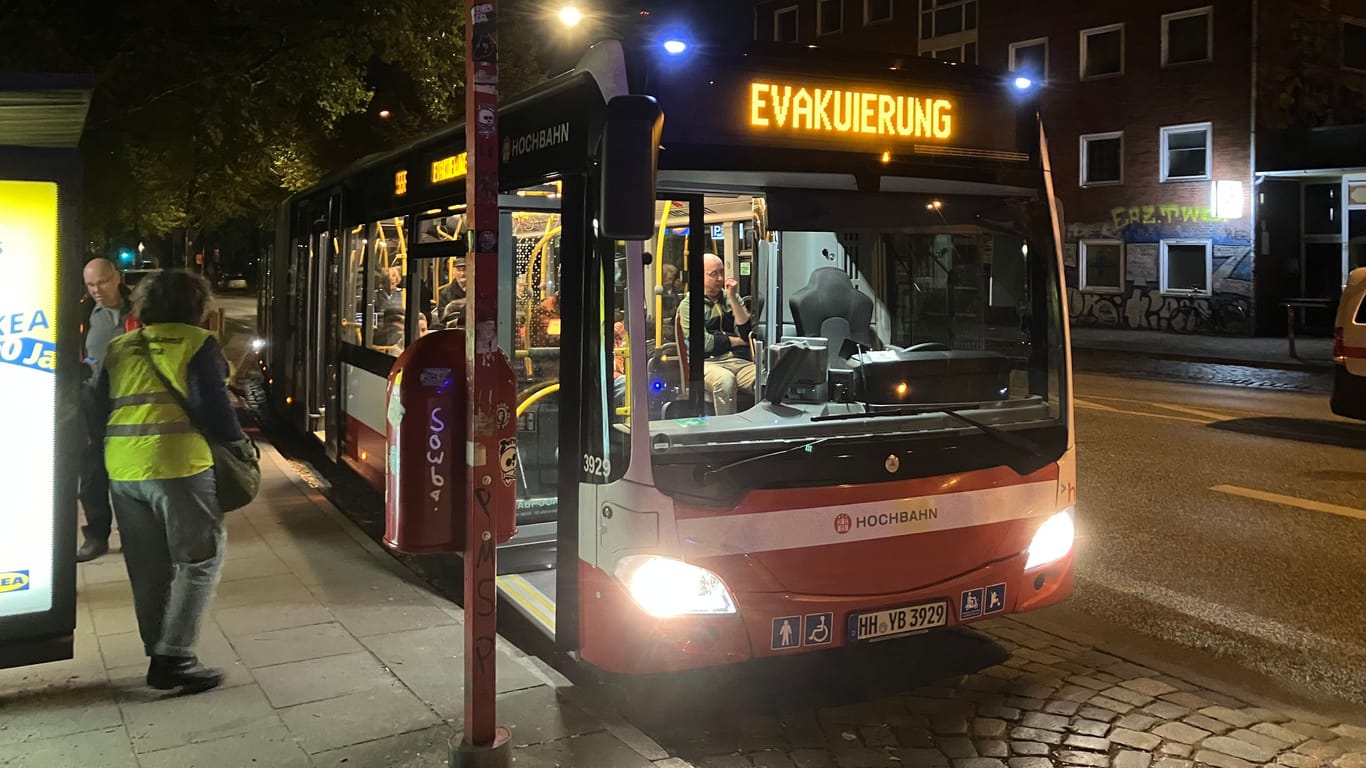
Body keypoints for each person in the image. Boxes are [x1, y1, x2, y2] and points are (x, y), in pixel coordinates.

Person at [94, 269, 244, 694]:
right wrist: (238, 446)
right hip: (179, 466)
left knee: (147, 569)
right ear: (198, 307)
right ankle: (174, 657)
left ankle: (158, 649)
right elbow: (212, 407)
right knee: (199, 560)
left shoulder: (120, 346)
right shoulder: (198, 343)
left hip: (122, 468)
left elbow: (96, 406)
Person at [77, 258, 138, 562]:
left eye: (101, 282)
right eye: (90, 284)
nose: (96, 290)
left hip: (132, 403)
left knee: (130, 474)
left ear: (116, 278)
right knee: (92, 473)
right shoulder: (83, 312)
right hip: (93, 405)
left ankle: (135, 535)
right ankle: (96, 536)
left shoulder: (141, 309)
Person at [676, 253, 755, 415]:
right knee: (725, 381)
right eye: (714, 274)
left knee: (766, 378)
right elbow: (703, 343)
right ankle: (727, 433)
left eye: (721, 272)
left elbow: (746, 333)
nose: (720, 278)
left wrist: (733, 298)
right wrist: (735, 341)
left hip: (739, 361)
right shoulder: (689, 305)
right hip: (707, 364)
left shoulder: (732, 298)